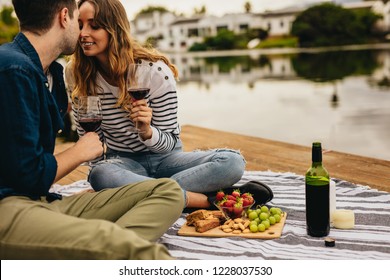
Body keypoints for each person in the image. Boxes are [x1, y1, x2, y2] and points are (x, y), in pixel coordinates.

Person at [0, 0, 184, 260]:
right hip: (8, 207)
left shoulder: (50, 73)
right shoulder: (11, 70)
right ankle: (106, 248)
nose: (82, 30)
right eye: (79, 20)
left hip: (41, 201)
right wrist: (80, 151)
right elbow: (27, 176)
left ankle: (92, 253)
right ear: (65, 17)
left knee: (168, 191)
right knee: (130, 249)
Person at [66, 0, 274, 210]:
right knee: (102, 174)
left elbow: (169, 141)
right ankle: (205, 200)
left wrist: (147, 131)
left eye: (94, 26)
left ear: (115, 29)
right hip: (122, 163)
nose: (83, 33)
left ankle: (136, 194)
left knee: (232, 162)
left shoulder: (152, 72)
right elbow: (90, 143)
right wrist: (99, 177)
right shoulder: (75, 74)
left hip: (168, 159)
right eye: (80, 24)